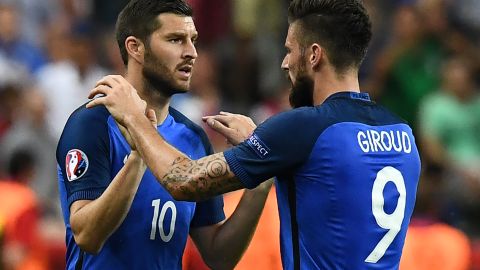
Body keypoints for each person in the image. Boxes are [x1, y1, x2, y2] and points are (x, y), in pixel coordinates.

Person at [88, 0, 421, 269]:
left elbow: (183, 180)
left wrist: (136, 119)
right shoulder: (403, 133)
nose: (284, 63)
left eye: (290, 50)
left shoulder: (304, 126)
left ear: (314, 54)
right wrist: (261, 148)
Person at [56, 0, 272, 269]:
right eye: (175, 40)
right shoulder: (92, 124)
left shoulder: (193, 137)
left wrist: (260, 183)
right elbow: (87, 236)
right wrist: (138, 156)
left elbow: (219, 255)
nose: (191, 52)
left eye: (193, 40)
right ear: (135, 47)